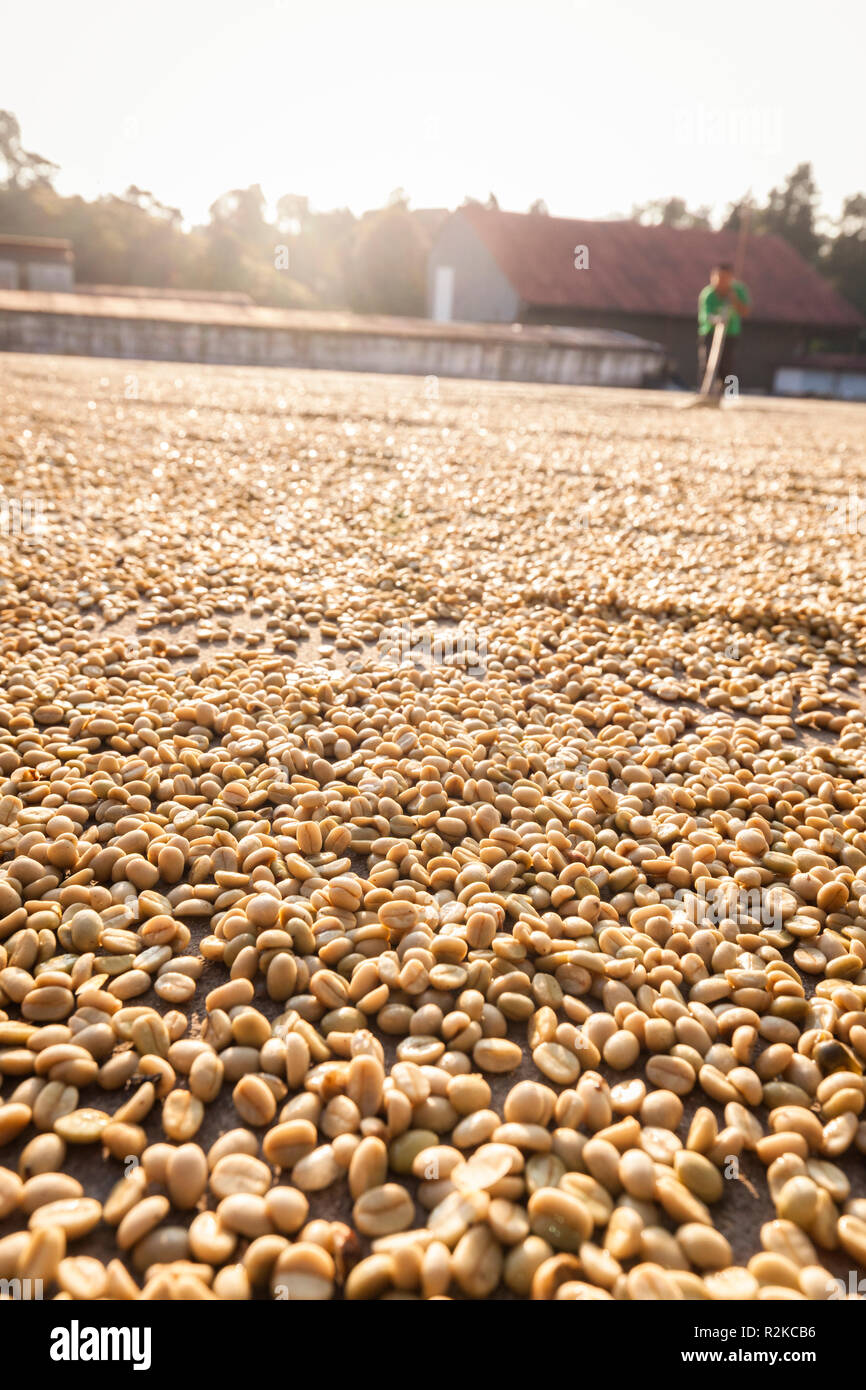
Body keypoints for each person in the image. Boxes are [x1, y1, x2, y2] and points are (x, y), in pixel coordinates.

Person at [697, 262, 750, 396]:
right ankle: (706, 392)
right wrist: (716, 319)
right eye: (718, 277)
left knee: (727, 364)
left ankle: (730, 393)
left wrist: (734, 300)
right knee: (707, 363)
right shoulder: (708, 293)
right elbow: (706, 315)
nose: (721, 281)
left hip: (731, 333)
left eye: (725, 278)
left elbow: (745, 312)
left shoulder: (738, 291)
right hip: (710, 332)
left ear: (731, 278)